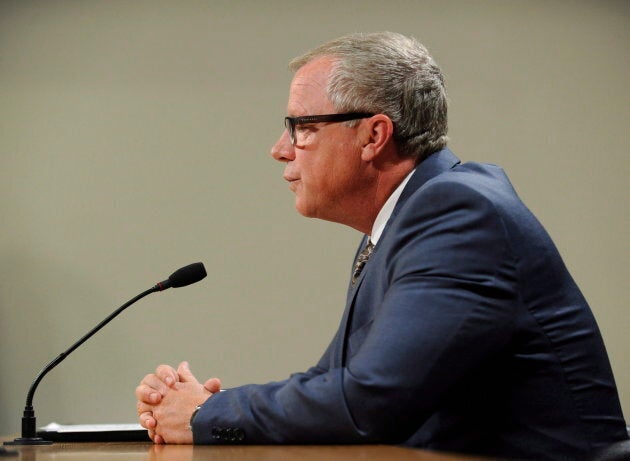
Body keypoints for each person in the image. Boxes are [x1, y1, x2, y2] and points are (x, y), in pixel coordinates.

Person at [135, 32, 628, 459]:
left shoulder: (457, 214)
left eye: (302, 127)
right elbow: (335, 382)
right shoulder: (405, 219)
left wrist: (205, 414)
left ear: (374, 135)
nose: (280, 149)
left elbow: (367, 402)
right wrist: (201, 409)